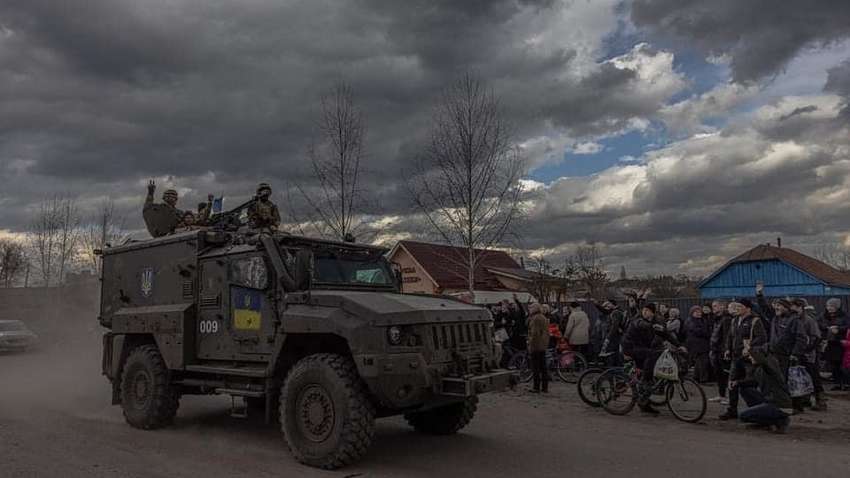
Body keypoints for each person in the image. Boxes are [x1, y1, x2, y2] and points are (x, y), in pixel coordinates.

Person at [621, 303, 683, 415]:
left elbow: (666, 334)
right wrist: (652, 327)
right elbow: (641, 325)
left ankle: (644, 396)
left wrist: (679, 345)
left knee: (649, 364)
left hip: (642, 347)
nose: (645, 312)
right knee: (650, 362)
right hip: (630, 347)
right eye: (644, 310)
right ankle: (643, 392)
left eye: (648, 311)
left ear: (653, 312)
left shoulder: (656, 321)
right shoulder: (638, 319)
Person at [720, 298, 768, 420]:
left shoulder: (755, 321)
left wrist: (750, 348)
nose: (737, 309)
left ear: (748, 308)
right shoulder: (734, 320)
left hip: (748, 359)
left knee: (749, 385)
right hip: (736, 357)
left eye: (740, 306)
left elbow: (762, 338)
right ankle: (732, 409)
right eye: (736, 306)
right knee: (732, 383)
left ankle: (757, 410)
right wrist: (727, 349)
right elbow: (730, 336)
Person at [736, 348, 793, 433]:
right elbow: (752, 382)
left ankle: (779, 421)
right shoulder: (760, 370)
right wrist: (737, 383)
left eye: (752, 356)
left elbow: (762, 360)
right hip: (770, 401)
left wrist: (750, 350)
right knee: (745, 389)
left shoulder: (771, 365)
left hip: (779, 404)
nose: (750, 358)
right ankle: (767, 421)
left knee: (743, 415)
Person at [799, 302, 826, 410]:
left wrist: (809, 349)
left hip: (810, 353)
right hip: (801, 352)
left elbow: (816, 337)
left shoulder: (809, 320)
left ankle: (820, 401)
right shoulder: (796, 319)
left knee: (813, 376)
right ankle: (806, 399)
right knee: (804, 376)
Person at [819, 298, 850, 391]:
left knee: (842, 365)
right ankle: (837, 383)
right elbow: (818, 324)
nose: (829, 308)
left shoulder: (844, 316)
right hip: (829, 343)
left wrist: (839, 329)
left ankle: (846, 384)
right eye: (828, 306)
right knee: (833, 364)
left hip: (840, 343)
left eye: (832, 306)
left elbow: (848, 326)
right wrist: (827, 328)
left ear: (837, 307)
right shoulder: (823, 315)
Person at [709, 300, 732, 403]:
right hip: (715, 350)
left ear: (722, 306)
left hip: (721, 351)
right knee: (718, 374)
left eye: (716, 306)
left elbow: (727, 336)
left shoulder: (726, 319)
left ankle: (728, 397)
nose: (713, 308)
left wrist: (726, 350)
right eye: (713, 306)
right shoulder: (716, 319)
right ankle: (721, 395)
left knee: (725, 374)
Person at [527, 303, 550, 393]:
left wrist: (530, 345)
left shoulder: (535, 319)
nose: (529, 309)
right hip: (543, 345)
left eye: (531, 307)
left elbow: (534, 334)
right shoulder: (543, 317)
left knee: (535, 367)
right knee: (543, 367)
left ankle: (536, 387)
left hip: (536, 346)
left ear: (534, 309)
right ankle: (545, 387)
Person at [685, 305, 712, 383]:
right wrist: (706, 332)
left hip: (701, 344)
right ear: (692, 313)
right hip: (697, 344)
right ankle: (703, 379)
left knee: (699, 362)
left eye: (699, 312)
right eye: (696, 312)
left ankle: (696, 377)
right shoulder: (691, 321)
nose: (698, 313)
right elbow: (699, 331)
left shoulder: (701, 320)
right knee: (703, 362)